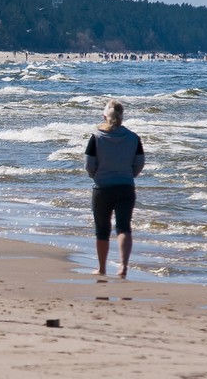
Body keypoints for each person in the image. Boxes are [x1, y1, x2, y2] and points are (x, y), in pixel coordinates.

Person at [84, 99, 144, 278]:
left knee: (102, 229)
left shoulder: (96, 137)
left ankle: (102, 268)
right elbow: (139, 164)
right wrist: (128, 175)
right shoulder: (134, 137)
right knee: (124, 227)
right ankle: (123, 267)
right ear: (122, 117)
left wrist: (96, 175)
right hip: (126, 187)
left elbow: (89, 164)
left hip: (102, 187)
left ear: (104, 116)